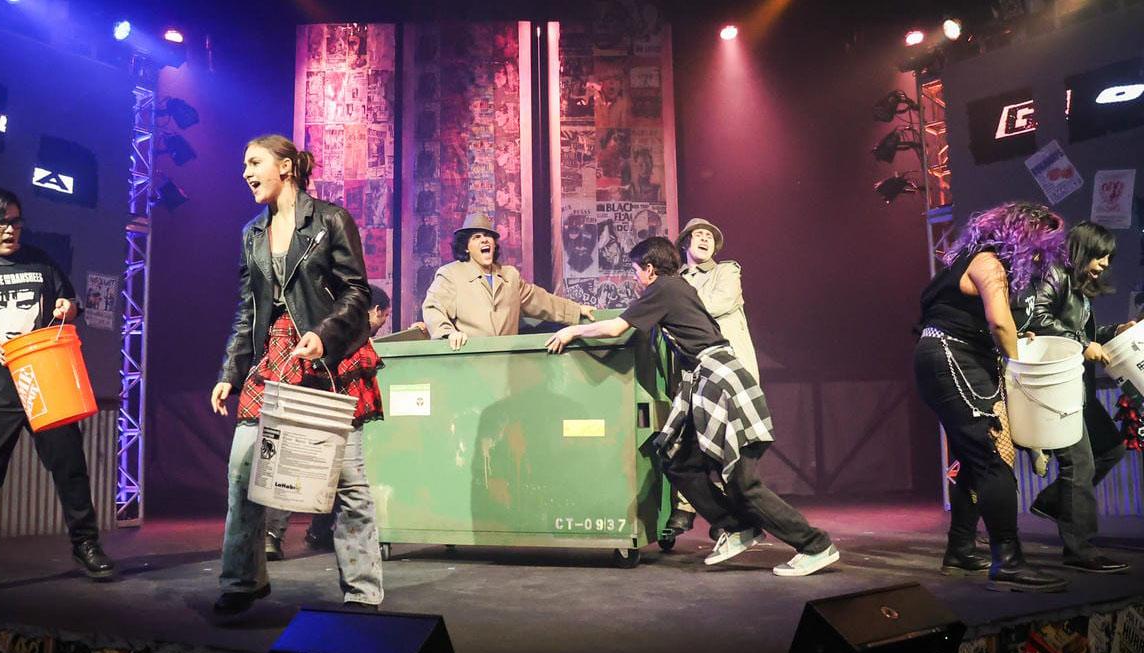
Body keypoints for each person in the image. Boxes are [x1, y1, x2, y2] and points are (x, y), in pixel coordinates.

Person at [546, 237, 840, 575]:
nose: (637, 277)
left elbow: (615, 328)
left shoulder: (664, 289)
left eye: (637, 270)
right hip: (706, 381)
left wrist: (573, 331)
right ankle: (735, 527)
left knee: (744, 484)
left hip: (720, 381)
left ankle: (815, 545)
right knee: (680, 461)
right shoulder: (680, 288)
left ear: (650, 269)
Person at [210, 135, 383, 615]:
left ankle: (362, 591)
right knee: (244, 470)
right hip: (274, 358)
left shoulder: (329, 220)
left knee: (348, 483)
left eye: (254, 162)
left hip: (327, 356)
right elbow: (247, 310)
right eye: (244, 164)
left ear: (285, 167)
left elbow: (356, 292)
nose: (245, 172)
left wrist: (326, 336)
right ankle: (242, 580)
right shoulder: (252, 233)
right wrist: (231, 369)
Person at [0, 187, 114, 600]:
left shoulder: (39, 259)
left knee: (70, 468)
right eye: (0, 224)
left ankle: (86, 547)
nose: (10, 231)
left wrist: (65, 308)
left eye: (16, 222)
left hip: (46, 383)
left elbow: (69, 300)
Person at [915, 202, 1069, 592]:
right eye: (1037, 246)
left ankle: (961, 550)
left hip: (950, 354)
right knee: (992, 459)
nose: (1037, 256)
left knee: (973, 456)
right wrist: (1020, 368)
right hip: (954, 357)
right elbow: (999, 321)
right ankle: (1009, 560)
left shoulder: (969, 258)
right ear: (1019, 236)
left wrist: (1013, 340)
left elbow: (996, 325)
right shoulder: (989, 264)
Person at [1016, 221, 1132, 574]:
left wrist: (1114, 332)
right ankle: (1080, 549)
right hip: (1056, 388)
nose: (1106, 263)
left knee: (1111, 448)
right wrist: (1085, 345)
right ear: (1084, 249)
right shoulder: (1054, 273)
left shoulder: (1079, 287)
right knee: (1079, 464)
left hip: (1077, 387)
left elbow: (1084, 332)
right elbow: (1037, 320)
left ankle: (1054, 503)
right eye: (1102, 255)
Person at [264, 284, 392, 560]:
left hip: (328, 396)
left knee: (332, 469)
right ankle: (276, 535)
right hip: (322, 396)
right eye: (384, 316)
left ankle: (295, 534)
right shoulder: (333, 319)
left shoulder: (336, 318)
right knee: (304, 465)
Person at [662, 218, 764, 540]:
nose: (705, 239)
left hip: (730, 370)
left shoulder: (727, 271)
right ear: (686, 243)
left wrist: (674, 306)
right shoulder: (676, 280)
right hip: (693, 373)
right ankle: (691, 509)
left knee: (724, 446)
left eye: (710, 236)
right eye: (698, 235)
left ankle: (732, 518)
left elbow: (719, 304)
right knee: (687, 444)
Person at [421, 213, 595, 350]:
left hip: (507, 364)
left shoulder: (509, 276)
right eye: (477, 237)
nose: (485, 240)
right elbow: (433, 307)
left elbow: (540, 300)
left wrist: (576, 310)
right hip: (470, 361)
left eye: (489, 236)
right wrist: (448, 333)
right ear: (466, 246)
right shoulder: (451, 275)